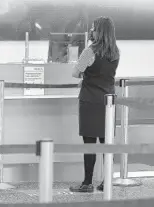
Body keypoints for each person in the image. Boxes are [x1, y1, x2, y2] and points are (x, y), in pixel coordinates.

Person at [70, 16, 120, 193]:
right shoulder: (115, 52)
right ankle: (106, 182)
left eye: (93, 28)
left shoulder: (89, 51)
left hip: (90, 101)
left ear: (100, 31)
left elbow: (75, 73)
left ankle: (87, 183)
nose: (91, 31)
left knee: (89, 143)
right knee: (107, 143)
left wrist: (84, 76)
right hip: (108, 101)